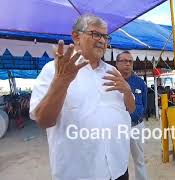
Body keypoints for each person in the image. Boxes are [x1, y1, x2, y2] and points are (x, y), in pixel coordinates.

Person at [29, 14, 135, 180]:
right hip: (81, 172)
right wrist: (61, 82)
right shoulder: (54, 70)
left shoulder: (113, 71)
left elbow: (131, 108)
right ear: (76, 36)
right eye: (95, 34)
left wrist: (128, 91)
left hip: (118, 166)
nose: (102, 40)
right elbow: (43, 120)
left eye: (105, 36)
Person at [115, 51, 148, 180]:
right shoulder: (112, 81)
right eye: (124, 61)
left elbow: (144, 103)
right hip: (118, 129)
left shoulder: (140, 82)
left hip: (136, 127)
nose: (127, 64)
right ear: (117, 63)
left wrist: (138, 115)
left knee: (139, 160)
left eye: (130, 61)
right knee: (118, 159)